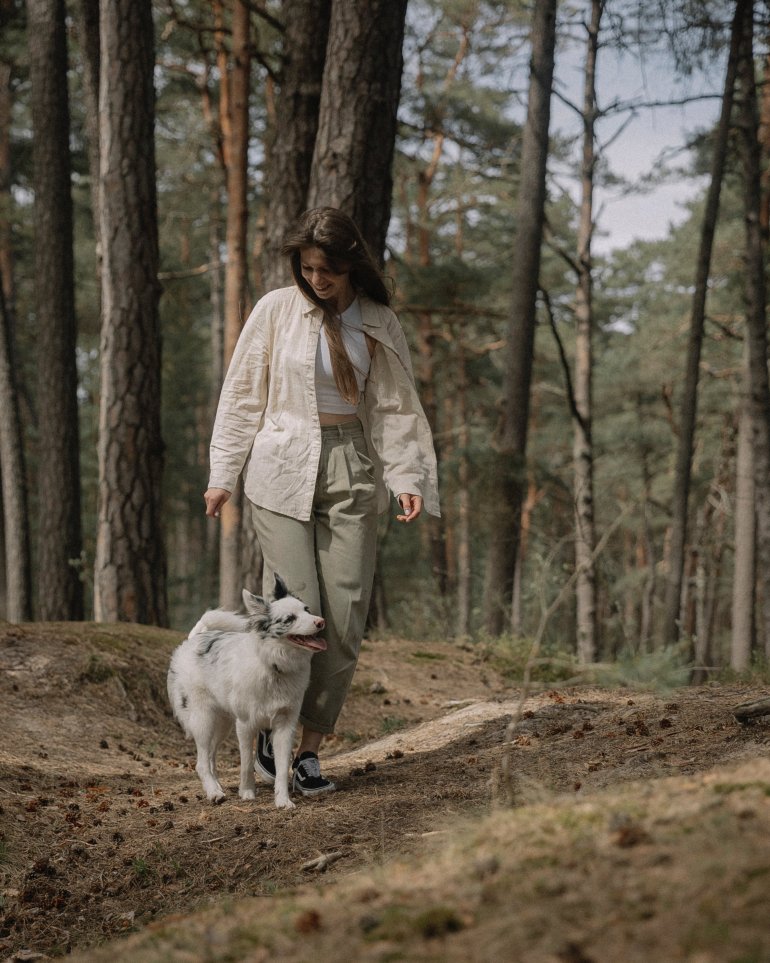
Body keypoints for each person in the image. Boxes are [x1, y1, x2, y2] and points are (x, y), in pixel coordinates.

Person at [203, 206, 440, 796]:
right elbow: (240, 397)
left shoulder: (378, 321)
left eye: (327, 270)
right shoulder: (276, 311)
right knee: (295, 608)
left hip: (351, 466)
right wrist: (222, 473)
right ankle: (266, 737)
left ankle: (306, 749)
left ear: (351, 264)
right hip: (281, 467)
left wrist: (405, 477)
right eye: (307, 268)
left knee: (344, 610)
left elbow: (394, 407)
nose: (316, 280)